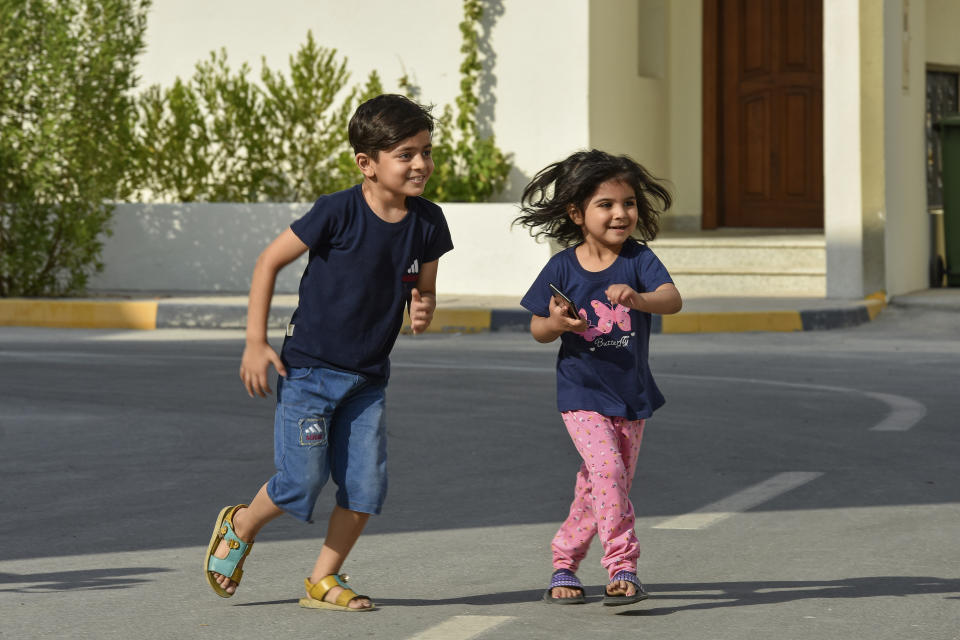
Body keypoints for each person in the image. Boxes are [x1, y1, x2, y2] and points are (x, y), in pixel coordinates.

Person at [203, 94, 453, 611]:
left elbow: (422, 287)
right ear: (367, 163)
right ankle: (241, 524)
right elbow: (268, 263)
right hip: (310, 372)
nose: (421, 164)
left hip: (367, 379)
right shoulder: (336, 212)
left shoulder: (429, 222)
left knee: (365, 486)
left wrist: (423, 307)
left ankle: (323, 579)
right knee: (301, 480)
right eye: (406, 154)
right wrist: (255, 341)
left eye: (426, 151)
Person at [515, 149, 682, 606]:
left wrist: (638, 299)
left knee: (604, 484)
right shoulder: (562, 268)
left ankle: (564, 560)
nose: (620, 213)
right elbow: (538, 330)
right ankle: (622, 565)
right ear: (576, 212)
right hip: (581, 392)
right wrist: (557, 324)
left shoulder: (638, 259)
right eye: (605, 204)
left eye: (627, 203)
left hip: (631, 392)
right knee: (607, 471)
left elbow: (672, 299)